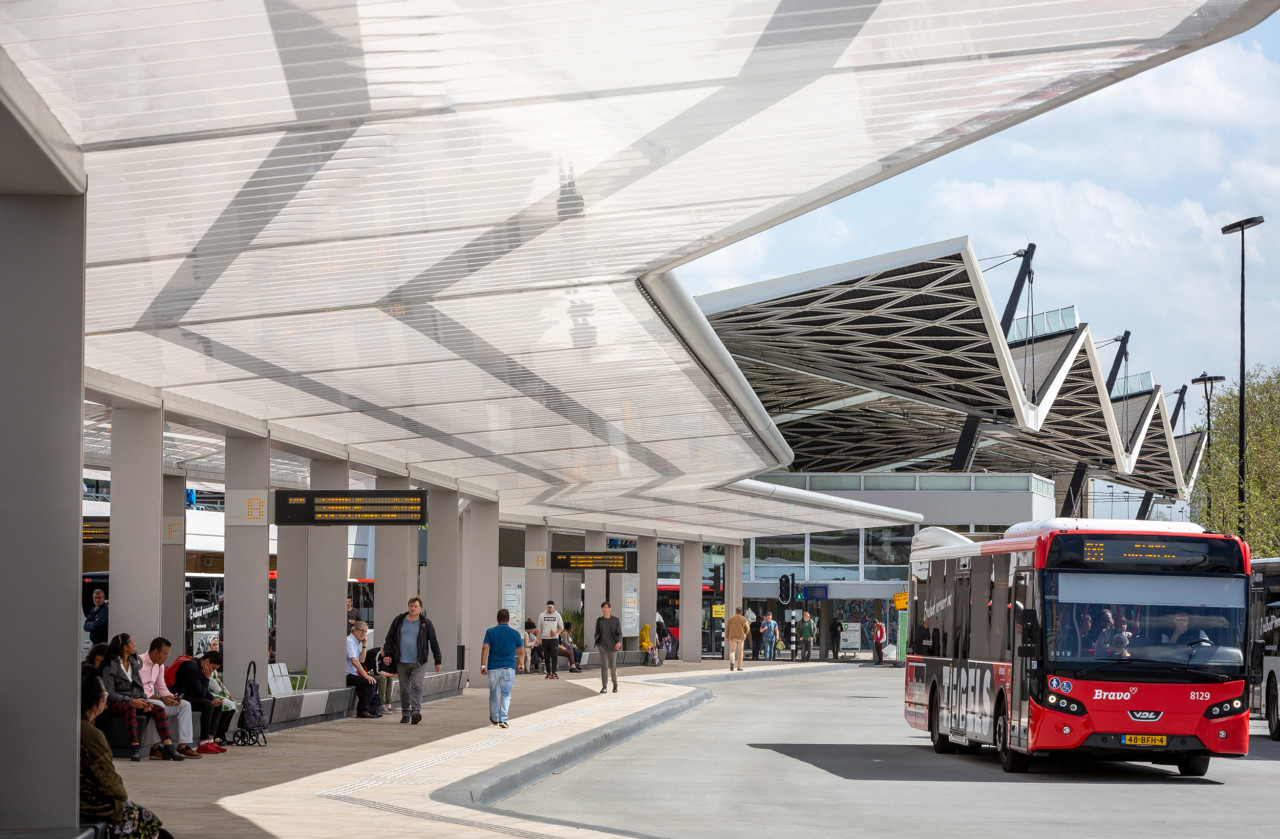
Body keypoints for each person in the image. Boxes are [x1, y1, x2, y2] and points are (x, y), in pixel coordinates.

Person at [80, 670, 173, 839]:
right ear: (99, 702)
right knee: (156, 830)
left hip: (73, 802)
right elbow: (112, 785)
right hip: (91, 807)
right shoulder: (90, 734)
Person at [101, 633, 182, 761]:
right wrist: (132, 700)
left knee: (158, 709)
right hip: (117, 702)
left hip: (135, 699)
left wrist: (145, 701)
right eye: (132, 643)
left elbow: (139, 686)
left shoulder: (134, 663)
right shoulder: (111, 665)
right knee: (130, 707)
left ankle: (168, 746)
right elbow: (110, 693)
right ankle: (135, 747)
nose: (135, 645)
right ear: (125, 647)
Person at [381, 596, 443, 725]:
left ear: (420, 608)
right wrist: (387, 654)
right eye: (411, 606)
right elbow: (390, 638)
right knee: (404, 689)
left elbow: (434, 642)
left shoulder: (425, 623)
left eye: (415, 606)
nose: (413, 608)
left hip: (419, 662)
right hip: (402, 661)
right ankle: (405, 713)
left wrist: (438, 660)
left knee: (416, 686)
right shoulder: (399, 620)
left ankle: (415, 712)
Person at [138, 637, 200, 758]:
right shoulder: (138, 662)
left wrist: (171, 697)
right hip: (141, 700)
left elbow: (162, 687)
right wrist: (161, 699)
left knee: (185, 705)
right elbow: (138, 691)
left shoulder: (159, 665)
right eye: (165, 654)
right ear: (155, 652)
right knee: (160, 705)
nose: (167, 658)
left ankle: (183, 746)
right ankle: (156, 748)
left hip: (154, 699)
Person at [170, 651, 233, 753]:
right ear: (207, 661)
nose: (212, 671)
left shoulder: (199, 667)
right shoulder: (192, 667)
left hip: (189, 696)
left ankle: (210, 739)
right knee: (207, 705)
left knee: (217, 704)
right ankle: (203, 742)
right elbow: (199, 692)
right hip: (178, 698)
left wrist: (213, 699)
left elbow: (202, 691)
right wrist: (207, 678)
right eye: (212, 668)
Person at [481, 608, 526, 728]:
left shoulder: (490, 632)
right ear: (508, 620)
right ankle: (503, 719)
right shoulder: (515, 633)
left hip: (493, 667)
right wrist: (521, 663)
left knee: (493, 693)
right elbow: (521, 651)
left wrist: (483, 665)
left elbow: (485, 647)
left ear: (497, 619)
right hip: (508, 667)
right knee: (506, 694)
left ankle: (495, 718)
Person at [347, 621, 379, 718]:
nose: (363, 633)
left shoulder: (356, 643)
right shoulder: (349, 641)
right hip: (347, 675)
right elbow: (354, 661)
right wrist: (366, 676)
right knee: (370, 682)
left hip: (353, 674)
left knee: (374, 681)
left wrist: (364, 644)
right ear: (354, 630)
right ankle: (362, 711)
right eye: (361, 630)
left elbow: (361, 660)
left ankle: (373, 711)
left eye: (365, 631)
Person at [594, 601, 623, 694]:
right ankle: (604, 687)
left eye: (606, 607)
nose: (604, 609)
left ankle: (615, 685)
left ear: (610, 609)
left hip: (613, 647)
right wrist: (598, 644)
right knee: (604, 667)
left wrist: (619, 642)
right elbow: (596, 633)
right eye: (603, 608)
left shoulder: (615, 620)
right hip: (602, 647)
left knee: (612, 667)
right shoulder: (599, 620)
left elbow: (619, 633)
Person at [538, 600, 565, 680]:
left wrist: (556, 632)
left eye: (551, 607)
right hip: (545, 638)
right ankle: (548, 672)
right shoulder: (542, 615)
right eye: (548, 607)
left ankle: (554, 672)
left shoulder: (557, 615)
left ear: (554, 607)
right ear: (546, 607)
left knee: (554, 655)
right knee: (546, 656)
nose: (549, 609)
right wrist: (537, 638)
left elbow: (561, 627)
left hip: (554, 639)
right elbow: (539, 627)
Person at [725, 606, 750, 671]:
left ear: (736, 611)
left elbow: (727, 628)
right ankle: (739, 667)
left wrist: (727, 636)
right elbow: (747, 629)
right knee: (740, 652)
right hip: (741, 637)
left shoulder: (731, 619)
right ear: (741, 612)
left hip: (733, 637)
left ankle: (732, 663)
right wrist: (745, 633)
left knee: (732, 651)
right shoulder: (744, 619)